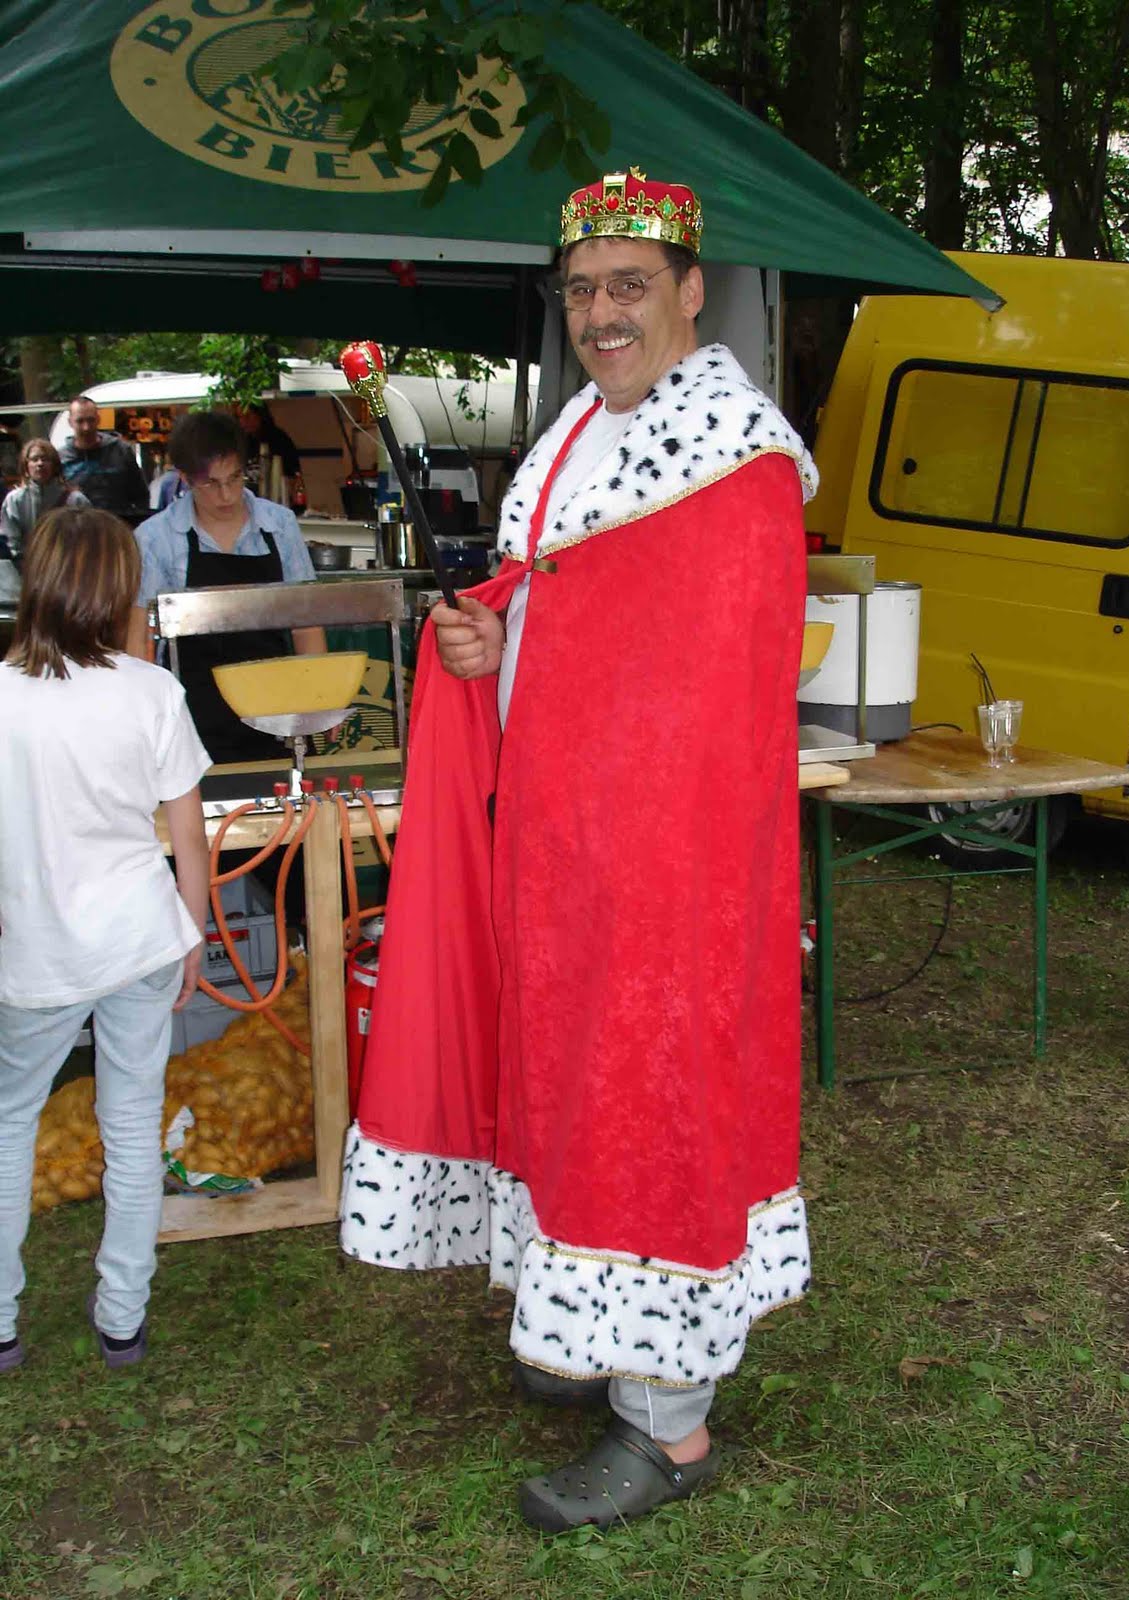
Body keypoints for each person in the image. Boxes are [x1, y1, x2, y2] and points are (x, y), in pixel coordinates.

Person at [341, 167, 819, 1530]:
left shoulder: (732, 463)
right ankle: (597, 1327)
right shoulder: (582, 439)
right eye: (582, 291)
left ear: (691, 292)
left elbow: (708, 700)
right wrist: (491, 643)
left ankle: (670, 1427)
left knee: (650, 1113)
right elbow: (570, 637)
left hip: (669, 875)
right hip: (570, 851)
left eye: (629, 286)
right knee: (571, 1098)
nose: (602, 313)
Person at [0, 506, 210, 1374]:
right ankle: (123, 1317)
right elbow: (189, 834)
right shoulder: (151, 691)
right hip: (140, 938)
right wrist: (193, 933)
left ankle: (1, 1323)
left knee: (8, 1126)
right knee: (130, 1124)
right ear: (121, 590)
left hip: (37, 950)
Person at [131, 409, 324, 765]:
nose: (226, 495)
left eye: (234, 478)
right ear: (185, 478)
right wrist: (143, 714)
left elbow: (306, 623)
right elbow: (140, 638)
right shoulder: (156, 538)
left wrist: (320, 699)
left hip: (276, 706)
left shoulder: (279, 524)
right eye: (210, 484)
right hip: (194, 715)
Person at [0, 438, 90, 601]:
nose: (40, 464)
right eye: (35, 459)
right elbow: (12, 541)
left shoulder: (75, 501)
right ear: (26, 465)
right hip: (27, 577)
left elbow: (87, 541)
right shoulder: (15, 501)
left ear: (55, 465)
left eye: (45, 459)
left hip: (69, 579)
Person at [59, 397, 150, 526]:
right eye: (80, 421)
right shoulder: (61, 458)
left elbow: (140, 494)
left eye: (91, 420)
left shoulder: (121, 451)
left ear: (98, 419)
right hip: (78, 529)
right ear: (70, 422)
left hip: (118, 527)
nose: (86, 427)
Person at [236, 402, 301, 507]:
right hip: (249, 503)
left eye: (247, 416)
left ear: (260, 415)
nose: (243, 422)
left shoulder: (279, 440)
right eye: (240, 417)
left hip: (276, 502)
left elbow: (292, 477)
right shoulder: (243, 441)